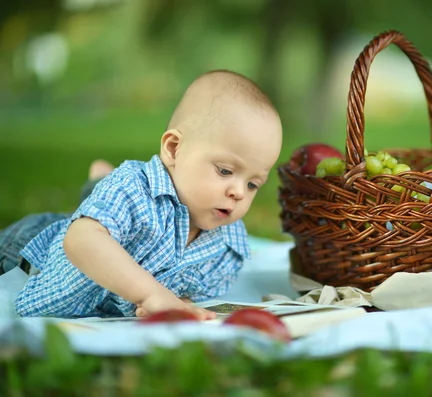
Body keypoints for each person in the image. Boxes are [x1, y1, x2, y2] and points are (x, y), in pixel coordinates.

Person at [0, 70, 283, 319]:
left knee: (110, 209)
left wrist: (176, 302)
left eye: (252, 185)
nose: (237, 192)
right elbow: (81, 240)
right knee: (102, 213)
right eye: (224, 171)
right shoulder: (135, 188)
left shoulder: (227, 243)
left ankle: (99, 182)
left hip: (118, 236)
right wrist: (150, 295)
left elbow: (185, 290)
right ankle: (101, 181)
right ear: (174, 149)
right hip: (35, 242)